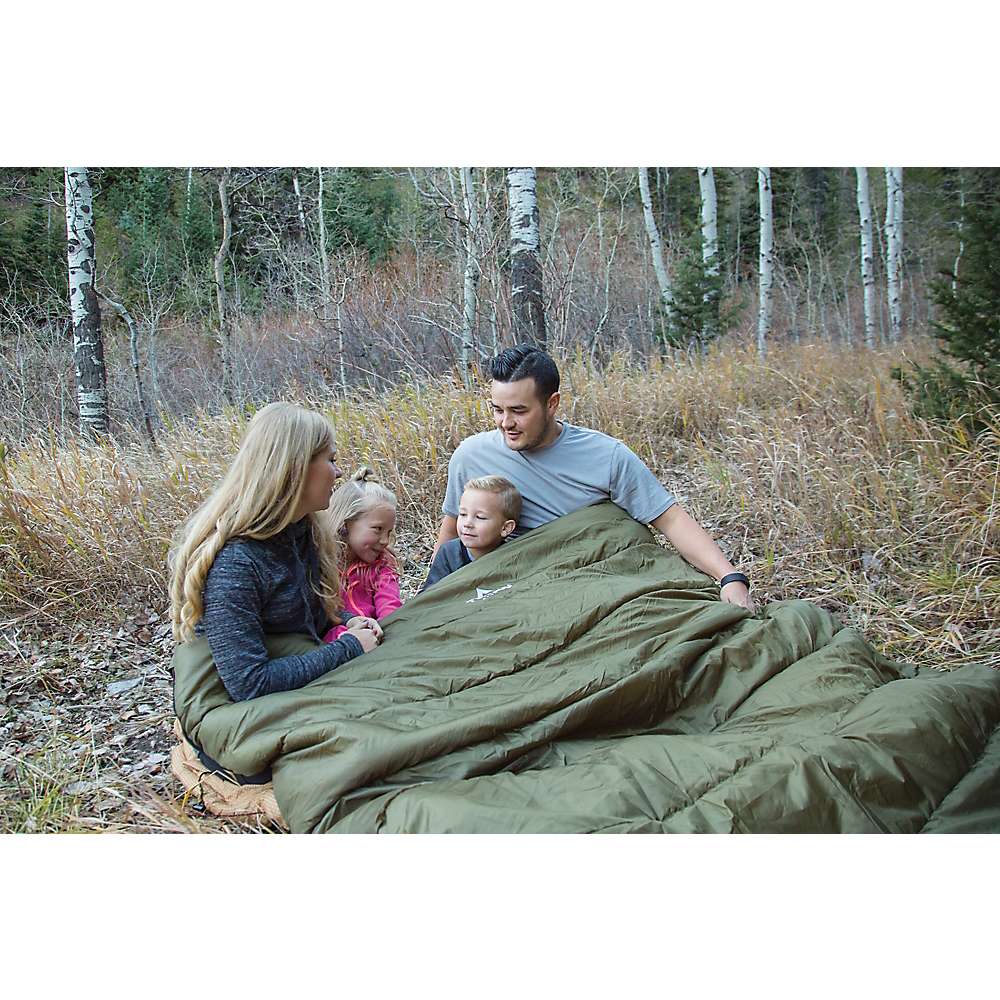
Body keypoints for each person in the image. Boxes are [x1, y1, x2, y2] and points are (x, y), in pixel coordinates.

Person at [435, 345, 754, 611]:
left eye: (519, 411)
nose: (506, 423)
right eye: (497, 410)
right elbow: (452, 533)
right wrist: (434, 595)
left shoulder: (605, 456)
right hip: (513, 593)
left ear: (552, 404)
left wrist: (729, 577)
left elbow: (670, 519)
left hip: (592, 586)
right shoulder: (471, 456)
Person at [168, 402, 382, 704]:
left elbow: (303, 616)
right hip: (234, 710)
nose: (339, 472)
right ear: (296, 468)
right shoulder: (235, 563)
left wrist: (346, 622)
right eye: (331, 459)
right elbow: (249, 684)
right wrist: (349, 648)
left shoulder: (300, 529)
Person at [322, 467, 403, 642]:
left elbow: (390, 606)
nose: (385, 541)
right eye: (378, 529)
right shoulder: (322, 563)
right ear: (346, 523)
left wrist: (387, 631)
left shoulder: (382, 565)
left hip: (373, 638)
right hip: (332, 644)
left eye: (389, 532)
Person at [420, 475, 521, 592]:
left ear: (505, 528)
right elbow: (429, 595)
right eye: (463, 514)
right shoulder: (449, 552)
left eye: (480, 517)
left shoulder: (512, 558)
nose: (467, 523)